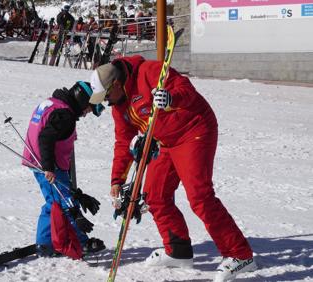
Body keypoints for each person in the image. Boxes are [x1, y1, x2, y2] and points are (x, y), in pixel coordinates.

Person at [88, 56, 257, 281]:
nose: (106, 102)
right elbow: (122, 142)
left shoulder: (148, 71)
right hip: (165, 141)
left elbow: (186, 90)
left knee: (199, 196)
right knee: (154, 196)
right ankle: (178, 252)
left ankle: (240, 254)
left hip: (194, 130)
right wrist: (117, 180)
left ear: (116, 84)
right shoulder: (120, 107)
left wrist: (170, 98)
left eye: (106, 96)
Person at [22, 81, 106, 258]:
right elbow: (46, 137)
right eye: (88, 109)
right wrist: (49, 168)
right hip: (48, 166)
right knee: (66, 203)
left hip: (38, 161)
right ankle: (81, 242)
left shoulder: (53, 102)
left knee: (53, 201)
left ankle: (44, 242)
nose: (86, 114)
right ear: (82, 101)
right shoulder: (65, 115)